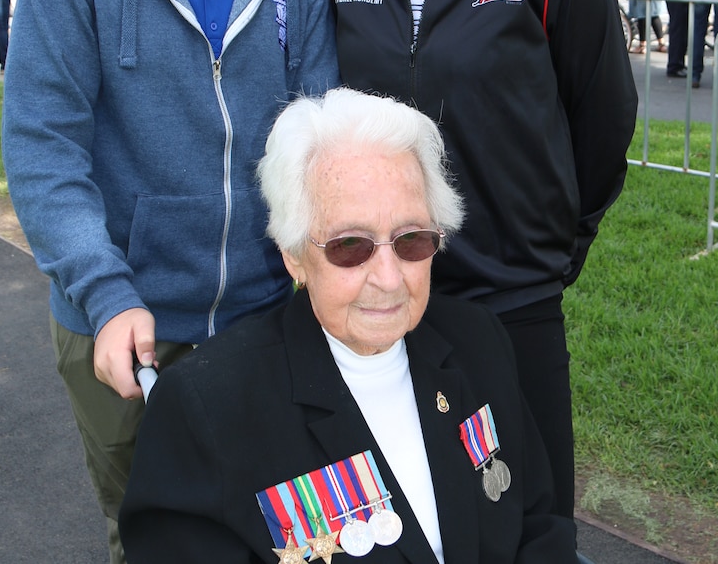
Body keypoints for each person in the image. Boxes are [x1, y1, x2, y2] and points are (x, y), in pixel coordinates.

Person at [1, 0, 339, 564]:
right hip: (123, 325)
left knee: (291, 534)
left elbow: (319, 136)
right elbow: (46, 152)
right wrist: (110, 295)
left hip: (268, 316)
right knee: (153, 532)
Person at [323, 0, 637, 527]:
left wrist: (551, 252)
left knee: (524, 520)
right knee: (390, 523)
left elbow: (604, 122)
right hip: (373, 295)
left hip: (510, 302)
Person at [119, 87, 578, 564]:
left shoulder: (478, 341)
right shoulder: (206, 408)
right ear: (294, 255)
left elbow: (538, 523)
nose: (388, 277)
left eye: (412, 240)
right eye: (350, 246)